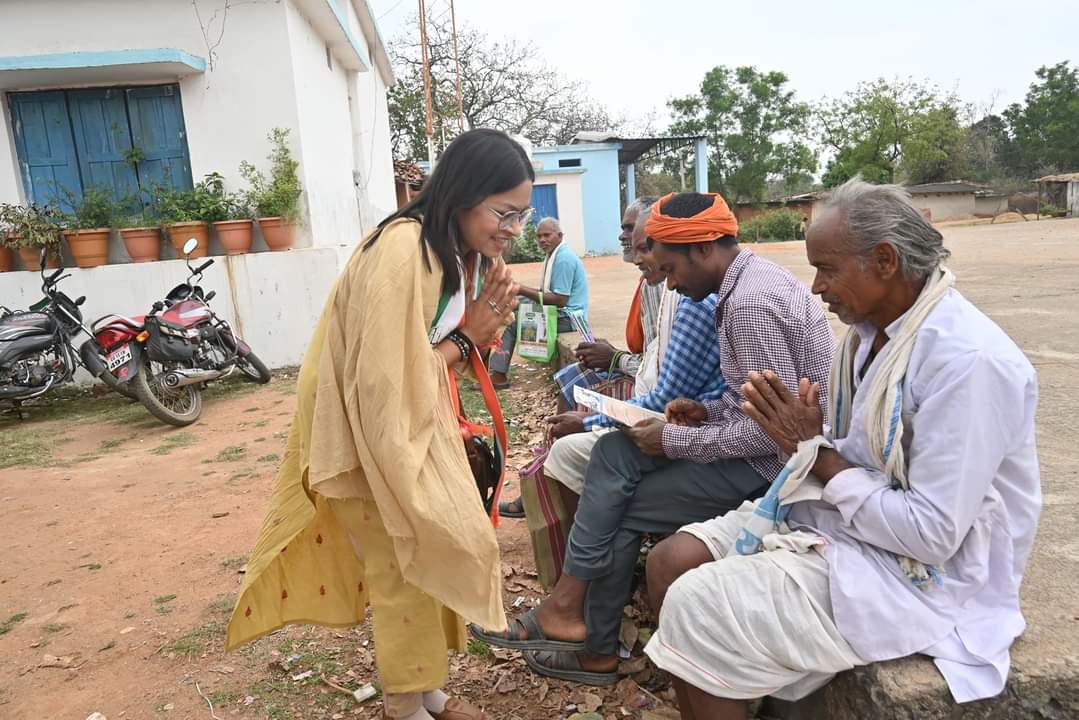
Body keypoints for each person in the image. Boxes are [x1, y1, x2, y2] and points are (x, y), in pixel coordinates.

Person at [643, 179, 1041, 719]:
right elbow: (843, 450)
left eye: (827, 269)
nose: (814, 288)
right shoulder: (868, 335)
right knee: (670, 561)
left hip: (924, 574)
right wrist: (807, 440)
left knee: (698, 603)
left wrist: (813, 450)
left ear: (884, 261)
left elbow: (932, 535)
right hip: (845, 521)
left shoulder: (969, 363)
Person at [225, 129, 534, 720]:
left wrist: (474, 332)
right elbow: (384, 379)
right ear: (465, 194)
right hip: (369, 434)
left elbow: (421, 355)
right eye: (505, 213)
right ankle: (403, 703)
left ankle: (425, 687)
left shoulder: (443, 250)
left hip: (403, 424)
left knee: (431, 547)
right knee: (405, 559)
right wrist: (471, 335)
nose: (513, 230)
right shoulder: (403, 251)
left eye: (522, 215)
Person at [471, 191, 835, 686]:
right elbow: (758, 402)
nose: (670, 283)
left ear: (702, 250)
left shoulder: (748, 304)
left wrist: (674, 441)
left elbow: (773, 433)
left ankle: (587, 636)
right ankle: (572, 618)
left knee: (618, 505)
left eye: (669, 269)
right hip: (757, 447)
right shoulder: (740, 286)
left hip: (773, 471)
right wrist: (706, 410)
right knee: (615, 454)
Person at [540, 208, 727, 518]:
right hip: (661, 404)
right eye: (629, 235)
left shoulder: (689, 299)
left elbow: (664, 399)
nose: (627, 242)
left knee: (572, 448)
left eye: (644, 245)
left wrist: (590, 418)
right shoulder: (663, 287)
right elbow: (654, 365)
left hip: (672, 422)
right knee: (571, 387)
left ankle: (593, 536)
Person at [498, 197, 659, 519]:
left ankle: (547, 477)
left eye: (630, 229)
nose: (622, 237)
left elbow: (658, 370)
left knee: (518, 325)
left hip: (577, 323)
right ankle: (543, 471)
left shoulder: (664, 283)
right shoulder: (651, 281)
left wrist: (614, 360)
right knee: (569, 378)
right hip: (639, 368)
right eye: (539, 236)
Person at [489, 217, 589, 389]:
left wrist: (520, 288)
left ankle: (498, 376)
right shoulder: (554, 255)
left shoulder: (563, 259)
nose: (542, 240)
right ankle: (490, 365)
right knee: (511, 303)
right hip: (559, 311)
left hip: (568, 318)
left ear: (559, 235)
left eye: (547, 235)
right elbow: (546, 294)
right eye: (539, 236)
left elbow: (559, 299)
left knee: (511, 322)